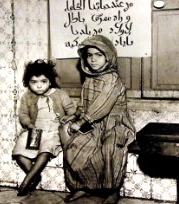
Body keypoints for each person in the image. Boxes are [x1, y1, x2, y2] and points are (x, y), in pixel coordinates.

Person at [60, 35, 135, 204]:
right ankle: (82, 186)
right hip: (93, 125)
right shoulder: (89, 79)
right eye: (89, 55)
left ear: (108, 57)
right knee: (76, 145)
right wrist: (74, 116)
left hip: (115, 125)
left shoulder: (113, 79)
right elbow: (84, 105)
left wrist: (81, 121)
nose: (93, 59)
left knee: (111, 148)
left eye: (98, 55)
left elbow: (102, 105)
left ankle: (113, 191)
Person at [12, 59, 76, 196]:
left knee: (45, 151)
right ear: (28, 83)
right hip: (35, 131)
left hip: (53, 131)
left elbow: (72, 111)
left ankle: (27, 181)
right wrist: (29, 125)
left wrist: (67, 118)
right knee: (18, 152)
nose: (39, 86)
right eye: (33, 82)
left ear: (50, 81)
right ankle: (34, 175)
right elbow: (23, 114)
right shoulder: (27, 96)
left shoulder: (60, 94)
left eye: (43, 81)